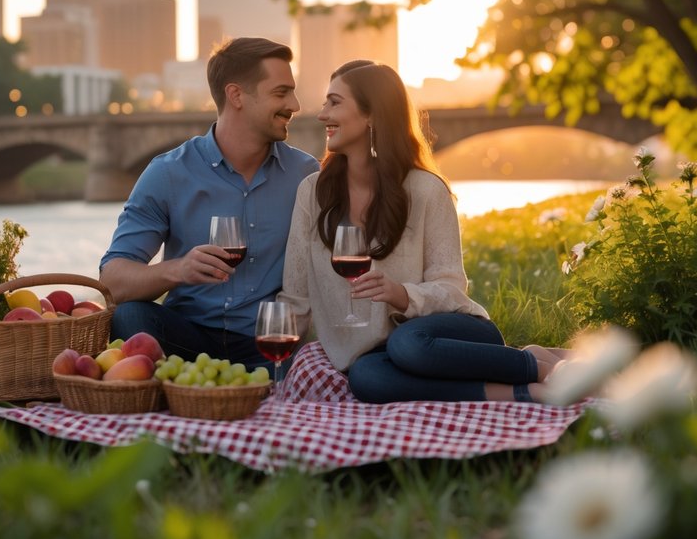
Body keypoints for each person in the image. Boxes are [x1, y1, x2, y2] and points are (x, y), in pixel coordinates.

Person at [278, 60, 569, 403]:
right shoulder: (312, 193)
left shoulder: (426, 190)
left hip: (442, 336)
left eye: (335, 102)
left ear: (372, 115)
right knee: (366, 378)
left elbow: (451, 286)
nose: (322, 114)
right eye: (326, 102)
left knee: (408, 344)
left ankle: (550, 371)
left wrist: (403, 295)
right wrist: (274, 373)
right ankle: (521, 391)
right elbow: (295, 298)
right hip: (377, 355)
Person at [99, 37, 321, 369]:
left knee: (316, 359)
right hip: (186, 339)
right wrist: (178, 269)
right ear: (236, 96)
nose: (296, 104)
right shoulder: (168, 173)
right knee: (130, 318)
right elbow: (111, 282)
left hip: (269, 344)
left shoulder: (305, 174)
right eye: (281, 92)